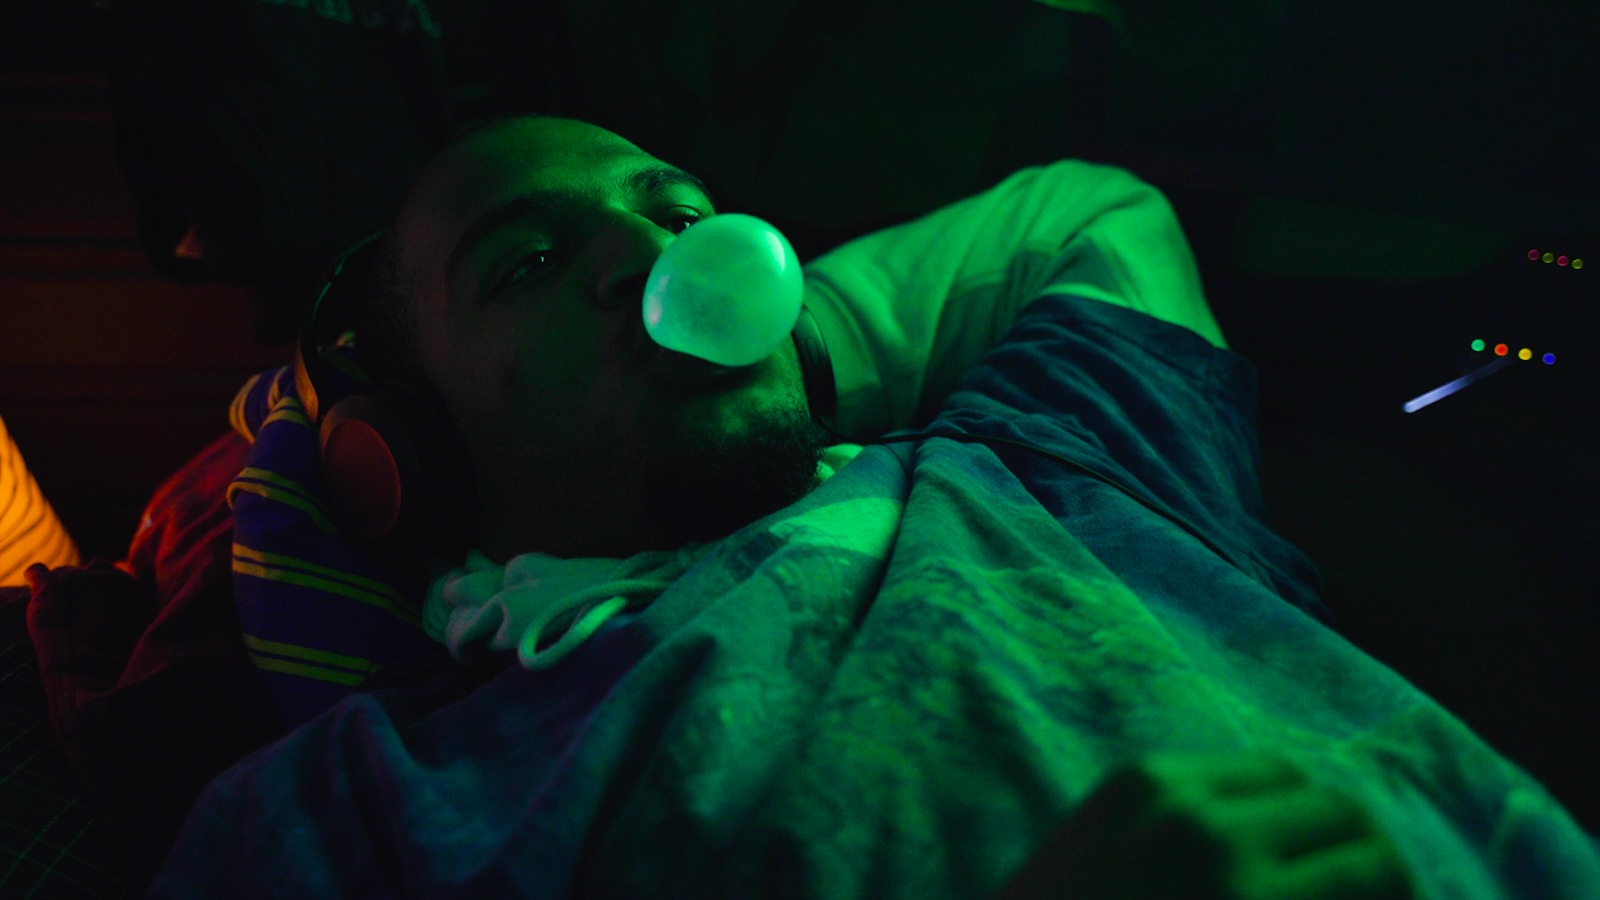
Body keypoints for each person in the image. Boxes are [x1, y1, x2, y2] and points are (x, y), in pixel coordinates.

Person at [151, 114, 1600, 898]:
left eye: (678, 211)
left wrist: (783, 351)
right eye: (523, 263)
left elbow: (1090, 215)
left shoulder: (1045, 453)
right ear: (411, 458)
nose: (659, 256)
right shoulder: (360, 807)